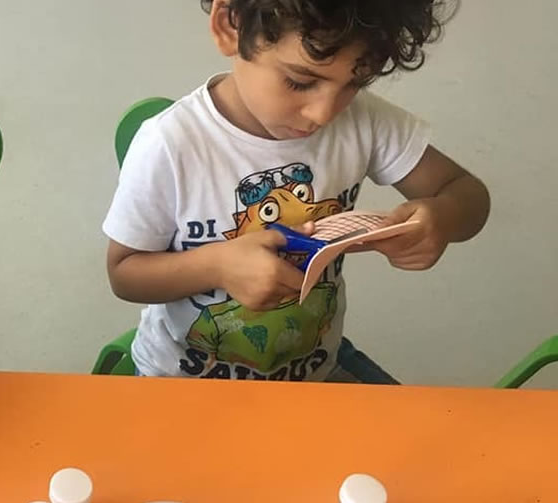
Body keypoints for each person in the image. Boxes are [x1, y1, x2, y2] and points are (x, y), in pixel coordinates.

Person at [103, 0, 490, 381]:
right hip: (184, 382)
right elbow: (124, 273)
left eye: (354, 84)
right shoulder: (170, 143)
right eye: (300, 82)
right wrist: (216, 266)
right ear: (230, 25)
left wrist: (441, 218)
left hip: (313, 373)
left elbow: (466, 193)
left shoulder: (364, 121)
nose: (323, 113)